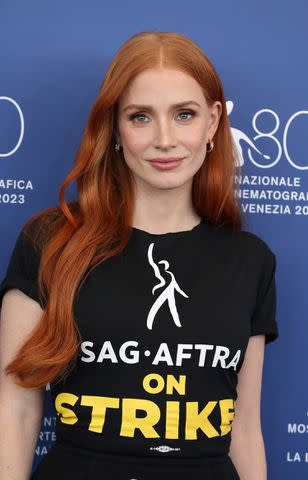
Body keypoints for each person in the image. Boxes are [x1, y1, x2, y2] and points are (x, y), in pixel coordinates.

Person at [0, 31, 278, 480]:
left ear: (211, 124)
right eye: (141, 117)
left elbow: (244, 431)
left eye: (183, 115)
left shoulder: (251, 261)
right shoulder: (49, 241)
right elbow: (14, 412)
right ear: (114, 127)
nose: (164, 139)